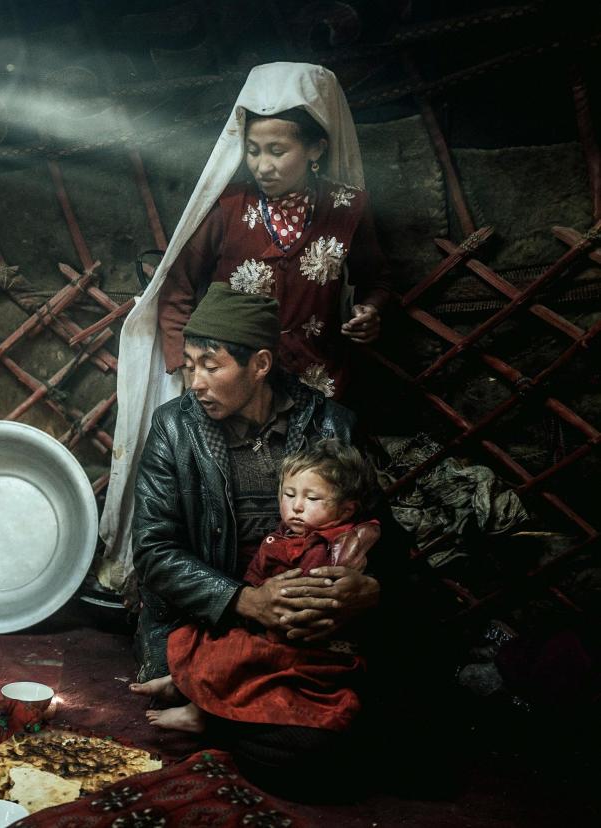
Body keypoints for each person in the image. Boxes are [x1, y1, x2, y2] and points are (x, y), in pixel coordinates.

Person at [98, 62, 392, 602]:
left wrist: (369, 311)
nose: (263, 164)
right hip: (234, 384)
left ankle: (301, 600)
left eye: (278, 150)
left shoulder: (347, 210)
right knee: (222, 501)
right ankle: (233, 601)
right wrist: (191, 370)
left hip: (316, 383)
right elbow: (177, 291)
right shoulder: (227, 209)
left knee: (312, 508)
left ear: (316, 149)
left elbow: (375, 280)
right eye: (254, 150)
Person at [125, 283, 403, 791]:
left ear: (259, 365)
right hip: (213, 618)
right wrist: (247, 600)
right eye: (189, 365)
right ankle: (247, 720)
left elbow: (384, 536)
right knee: (315, 750)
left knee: (406, 710)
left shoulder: (331, 426)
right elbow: (153, 551)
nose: (197, 383)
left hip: (310, 619)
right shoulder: (173, 429)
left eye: (212, 366)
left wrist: (368, 589)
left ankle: (224, 720)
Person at [139, 439, 382, 736]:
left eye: (313, 499)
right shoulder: (289, 535)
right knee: (206, 637)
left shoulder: (329, 549)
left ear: (346, 510)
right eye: (289, 494)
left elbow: (306, 601)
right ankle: (181, 683)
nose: (296, 506)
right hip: (261, 619)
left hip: (299, 639)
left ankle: (199, 712)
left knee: (235, 654)